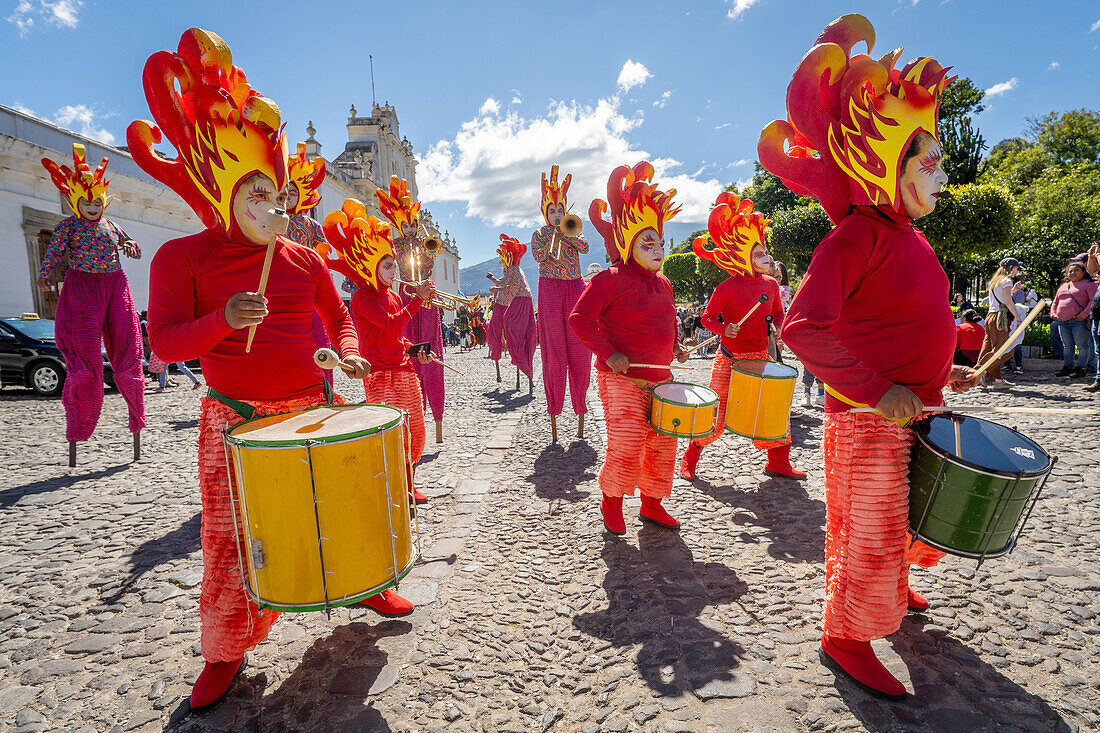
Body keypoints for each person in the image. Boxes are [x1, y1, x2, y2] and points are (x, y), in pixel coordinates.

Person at [130, 28, 407, 712]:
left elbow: (337, 315)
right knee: (228, 542)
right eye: (259, 194)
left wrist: (345, 349)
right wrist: (224, 317)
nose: (275, 208)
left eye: (279, 194)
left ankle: (364, 578)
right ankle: (225, 651)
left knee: (341, 511)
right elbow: (161, 346)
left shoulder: (304, 259)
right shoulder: (181, 260)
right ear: (223, 189)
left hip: (310, 405)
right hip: (233, 420)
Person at [759, 13, 978, 698]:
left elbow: (913, 319)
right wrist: (878, 389)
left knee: (918, 518)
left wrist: (950, 370)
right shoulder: (853, 237)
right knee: (869, 532)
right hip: (865, 420)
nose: (942, 172)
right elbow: (801, 328)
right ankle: (846, 633)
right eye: (929, 160)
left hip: (917, 409)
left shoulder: (910, 236)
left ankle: (899, 581)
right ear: (887, 164)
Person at [570, 161, 687, 533]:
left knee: (663, 442)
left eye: (660, 242)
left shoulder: (666, 284)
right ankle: (613, 503)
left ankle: (652, 504)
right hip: (621, 379)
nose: (658, 249)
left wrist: (679, 347)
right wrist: (608, 353)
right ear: (628, 243)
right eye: (647, 242)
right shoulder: (609, 278)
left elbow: (666, 321)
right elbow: (578, 320)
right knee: (629, 441)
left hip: (661, 378)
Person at [679, 193, 805, 481]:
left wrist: (780, 331)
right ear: (741, 255)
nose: (767, 257)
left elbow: (778, 314)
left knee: (773, 411)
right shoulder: (726, 287)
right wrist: (725, 329)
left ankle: (778, 462)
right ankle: (690, 458)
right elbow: (707, 318)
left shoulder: (772, 285)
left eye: (765, 251)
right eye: (759, 252)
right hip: (728, 358)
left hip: (760, 356)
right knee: (716, 414)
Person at [319, 198, 434, 505]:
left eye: (393, 263)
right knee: (391, 434)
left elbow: (399, 338)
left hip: (404, 369)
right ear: (371, 266)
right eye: (386, 264)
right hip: (380, 374)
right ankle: (392, 488)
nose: (392, 268)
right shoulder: (363, 299)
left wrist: (417, 350)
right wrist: (418, 300)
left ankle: (408, 485)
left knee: (416, 432)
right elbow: (390, 325)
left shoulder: (394, 296)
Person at [38, 143, 146, 459]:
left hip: (115, 285)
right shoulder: (68, 226)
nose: (93, 206)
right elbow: (54, 253)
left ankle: (133, 397)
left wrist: (132, 249)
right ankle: (80, 419)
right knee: (84, 359)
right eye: (86, 202)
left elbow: (132, 246)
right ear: (76, 203)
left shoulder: (111, 226)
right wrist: (46, 274)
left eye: (97, 201)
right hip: (82, 288)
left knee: (128, 349)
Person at [377, 176, 447, 443]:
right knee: (410, 355)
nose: (408, 229)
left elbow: (433, 256)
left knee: (432, 354)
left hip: (427, 303)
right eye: (404, 225)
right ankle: (413, 415)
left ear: (418, 224)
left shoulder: (426, 243)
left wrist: (427, 240)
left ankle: (437, 416)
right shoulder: (394, 247)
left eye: (412, 224)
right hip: (406, 303)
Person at [533, 165, 593, 440]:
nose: (557, 216)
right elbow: (539, 257)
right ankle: (555, 408)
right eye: (552, 212)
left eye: (560, 211)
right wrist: (553, 238)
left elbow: (585, 248)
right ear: (546, 213)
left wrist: (567, 233)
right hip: (549, 289)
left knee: (579, 350)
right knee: (554, 351)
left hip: (574, 286)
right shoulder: (540, 234)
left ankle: (580, 406)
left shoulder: (573, 229)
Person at [283, 142, 334, 386]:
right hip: (280, 289)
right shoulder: (274, 220)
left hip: (309, 289)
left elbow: (324, 252)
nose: (290, 195)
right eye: (286, 190)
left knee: (318, 343)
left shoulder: (312, 226)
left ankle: (324, 388)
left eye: (294, 191)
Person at [495, 235, 538, 393]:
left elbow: (505, 285)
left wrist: (496, 286)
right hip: (527, 300)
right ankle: (521, 359)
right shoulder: (517, 269)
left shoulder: (512, 269)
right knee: (514, 327)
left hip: (520, 300)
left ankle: (517, 354)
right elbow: (505, 283)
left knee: (508, 322)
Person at [974, 257, 1022, 387]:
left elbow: (1001, 298)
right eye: (1016, 268)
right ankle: (979, 371)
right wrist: (1018, 318)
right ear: (1011, 268)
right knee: (1005, 350)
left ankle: (998, 380)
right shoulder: (1007, 281)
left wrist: (1013, 291)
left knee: (989, 348)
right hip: (1000, 318)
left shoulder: (995, 281)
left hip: (991, 316)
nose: (1017, 271)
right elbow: (1007, 302)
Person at [1051, 261, 1097, 379]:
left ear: (1083, 272)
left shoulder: (1088, 284)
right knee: (1067, 346)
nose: (1073, 273)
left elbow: (1093, 301)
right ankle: (1068, 367)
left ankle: (1081, 368)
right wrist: (1053, 313)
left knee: (1082, 346)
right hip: (1062, 321)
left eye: (1076, 270)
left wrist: (1084, 314)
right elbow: (1056, 301)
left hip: (1079, 321)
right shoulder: (1063, 286)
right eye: (1070, 271)